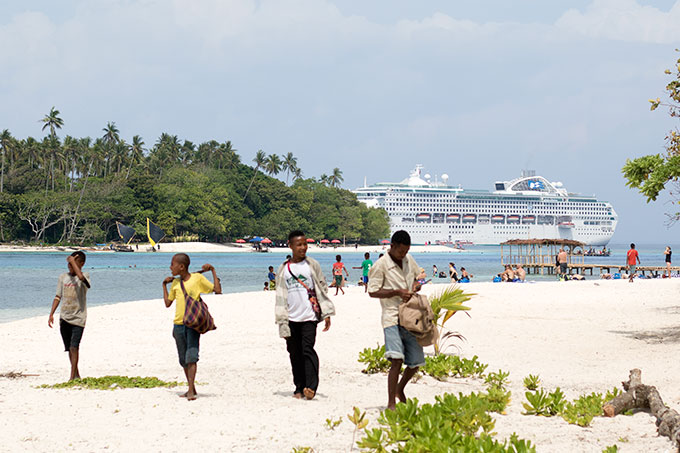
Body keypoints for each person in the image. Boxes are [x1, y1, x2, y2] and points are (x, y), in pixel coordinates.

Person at [275, 230, 335, 400]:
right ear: (290, 246)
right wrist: (281, 320)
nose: (303, 248)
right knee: (294, 353)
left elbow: (322, 290)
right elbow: (280, 297)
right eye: (299, 244)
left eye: (305, 244)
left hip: (309, 316)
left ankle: (311, 386)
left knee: (307, 350)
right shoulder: (284, 269)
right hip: (291, 318)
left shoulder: (312, 265)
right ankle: (299, 387)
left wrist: (326, 313)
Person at [368, 230, 423, 411]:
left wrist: (415, 286)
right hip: (391, 316)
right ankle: (391, 403)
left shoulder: (409, 260)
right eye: (401, 252)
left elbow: (416, 277)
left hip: (410, 315)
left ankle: (400, 389)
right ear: (392, 247)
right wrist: (396, 292)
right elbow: (372, 291)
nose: (403, 255)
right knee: (396, 360)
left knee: (416, 362)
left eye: (406, 251)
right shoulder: (380, 265)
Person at [163, 253, 222, 401]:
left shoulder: (197, 278)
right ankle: (192, 387)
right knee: (183, 358)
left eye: (172, 264)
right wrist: (164, 285)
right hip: (178, 324)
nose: (170, 267)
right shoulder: (175, 283)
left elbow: (217, 290)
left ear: (181, 267)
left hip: (192, 324)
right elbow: (167, 303)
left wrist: (213, 271)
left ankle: (190, 390)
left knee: (192, 356)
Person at [48, 251, 91, 381]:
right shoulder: (63, 277)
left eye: (73, 264)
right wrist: (51, 314)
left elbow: (81, 278)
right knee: (69, 348)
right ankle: (76, 374)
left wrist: (73, 261)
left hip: (78, 318)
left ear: (81, 264)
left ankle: (71, 377)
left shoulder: (85, 276)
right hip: (64, 317)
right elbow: (58, 296)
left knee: (74, 346)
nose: (70, 266)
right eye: (69, 264)